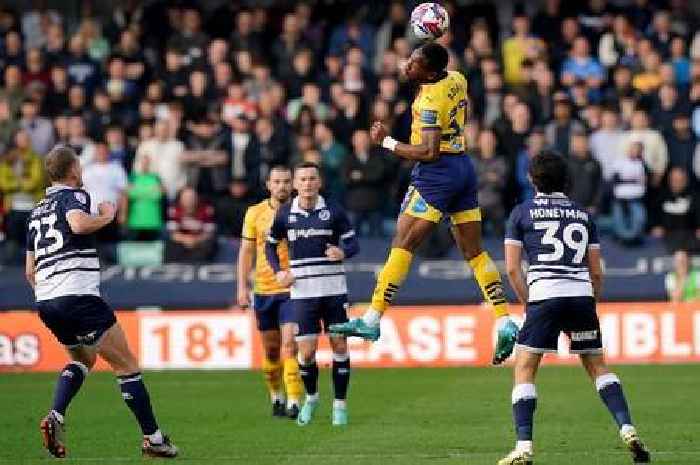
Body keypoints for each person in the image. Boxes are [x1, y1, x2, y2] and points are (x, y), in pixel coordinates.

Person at [329, 42, 518, 364]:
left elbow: (428, 151)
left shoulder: (430, 99)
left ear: (428, 71)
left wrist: (387, 142)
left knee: (402, 244)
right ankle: (504, 319)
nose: (407, 65)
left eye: (414, 63)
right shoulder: (457, 78)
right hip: (463, 166)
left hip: (437, 173)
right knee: (474, 252)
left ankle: (372, 320)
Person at [25, 146, 177, 458]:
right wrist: (107, 215)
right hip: (78, 296)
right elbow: (79, 225)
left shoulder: (36, 211)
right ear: (71, 171)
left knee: (84, 359)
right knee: (127, 366)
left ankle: (56, 415)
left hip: (47, 301)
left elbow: (30, 270)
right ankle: (154, 439)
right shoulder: (74, 196)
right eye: (79, 166)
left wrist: (53, 291)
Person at [498, 151, 649, 465]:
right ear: (566, 180)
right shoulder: (582, 214)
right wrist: (589, 302)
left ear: (531, 178)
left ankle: (524, 447)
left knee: (525, 368)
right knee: (597, 367)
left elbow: (513, 269)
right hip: (580, 294)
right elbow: (596, 271)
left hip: (544, 296)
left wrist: (530, 304)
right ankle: (628, 428)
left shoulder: (521, 213)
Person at [265, 162, 359, 427]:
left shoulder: (334, 211)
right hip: (303, 294)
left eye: (312, 179)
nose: (307, 183)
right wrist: (279, 272)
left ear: (319, 183)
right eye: (303, 179)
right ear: (296, 184)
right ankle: (312, 397)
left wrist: (343, 253)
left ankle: (340, 405)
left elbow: (353, 243)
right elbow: (270, 247)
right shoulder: (285, 214)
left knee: (339, 344)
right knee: (306, 353)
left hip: (334, 291)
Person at [238, 165, 304, 419]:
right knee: (271, 351)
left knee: (290, 345)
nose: (282, 186)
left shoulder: (302, 212)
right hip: (264, 290)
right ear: (268, 185)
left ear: (293, 184)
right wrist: (241, 287)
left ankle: (295, 401)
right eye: (277, 182)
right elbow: (246, 252)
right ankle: (276, 395)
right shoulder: (255, 213)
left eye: (287, 181)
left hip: (293, 289)